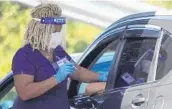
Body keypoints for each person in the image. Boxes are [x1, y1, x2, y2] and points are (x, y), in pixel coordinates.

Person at [11, 3, 107, 109]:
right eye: (53, 32)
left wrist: (101, 76)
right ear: (40, 31)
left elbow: (77, 72)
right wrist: (56, 79)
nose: (57, 36)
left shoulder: (57, 51)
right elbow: (25, 93)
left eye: (59, 32)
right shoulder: (24, 55)